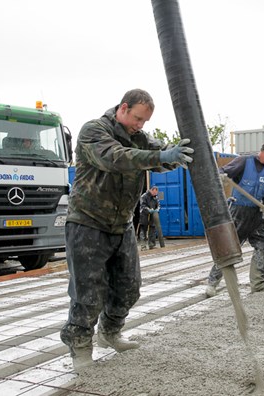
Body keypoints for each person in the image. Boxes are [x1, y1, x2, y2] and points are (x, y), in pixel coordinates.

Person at [60, 89, 194, 370]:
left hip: (121, 226)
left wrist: (177, 153)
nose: (140, 125)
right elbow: (116, 158)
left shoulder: (140, 138)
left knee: (129, 287)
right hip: (87, 222)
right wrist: (159, 155)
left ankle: (109, 332)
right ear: (123, 108)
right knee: (88, 292)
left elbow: (158, 154)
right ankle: (80, 345)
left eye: (144, 121)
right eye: (137, 118)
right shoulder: (94, 131)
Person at [205, 141, 264, 297]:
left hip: (256, 215)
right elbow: (223, 171)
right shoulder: (244, 162)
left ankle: (258, 283)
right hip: (239, 212)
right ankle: (212, 283)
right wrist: (222, 175)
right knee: (228, 248)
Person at [138, 185, 162, 250]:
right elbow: (142, 206)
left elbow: (158, 205)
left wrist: (157, 209)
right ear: (151, 190)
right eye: (154, 193)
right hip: (144, 215)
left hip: (152, 216)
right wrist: (148, 209)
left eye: (156, 193)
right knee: (143, 230)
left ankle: (152, 245)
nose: (155, 194)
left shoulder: (155, 197)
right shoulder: (144, 196)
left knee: (152, 230)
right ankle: (143, 246)